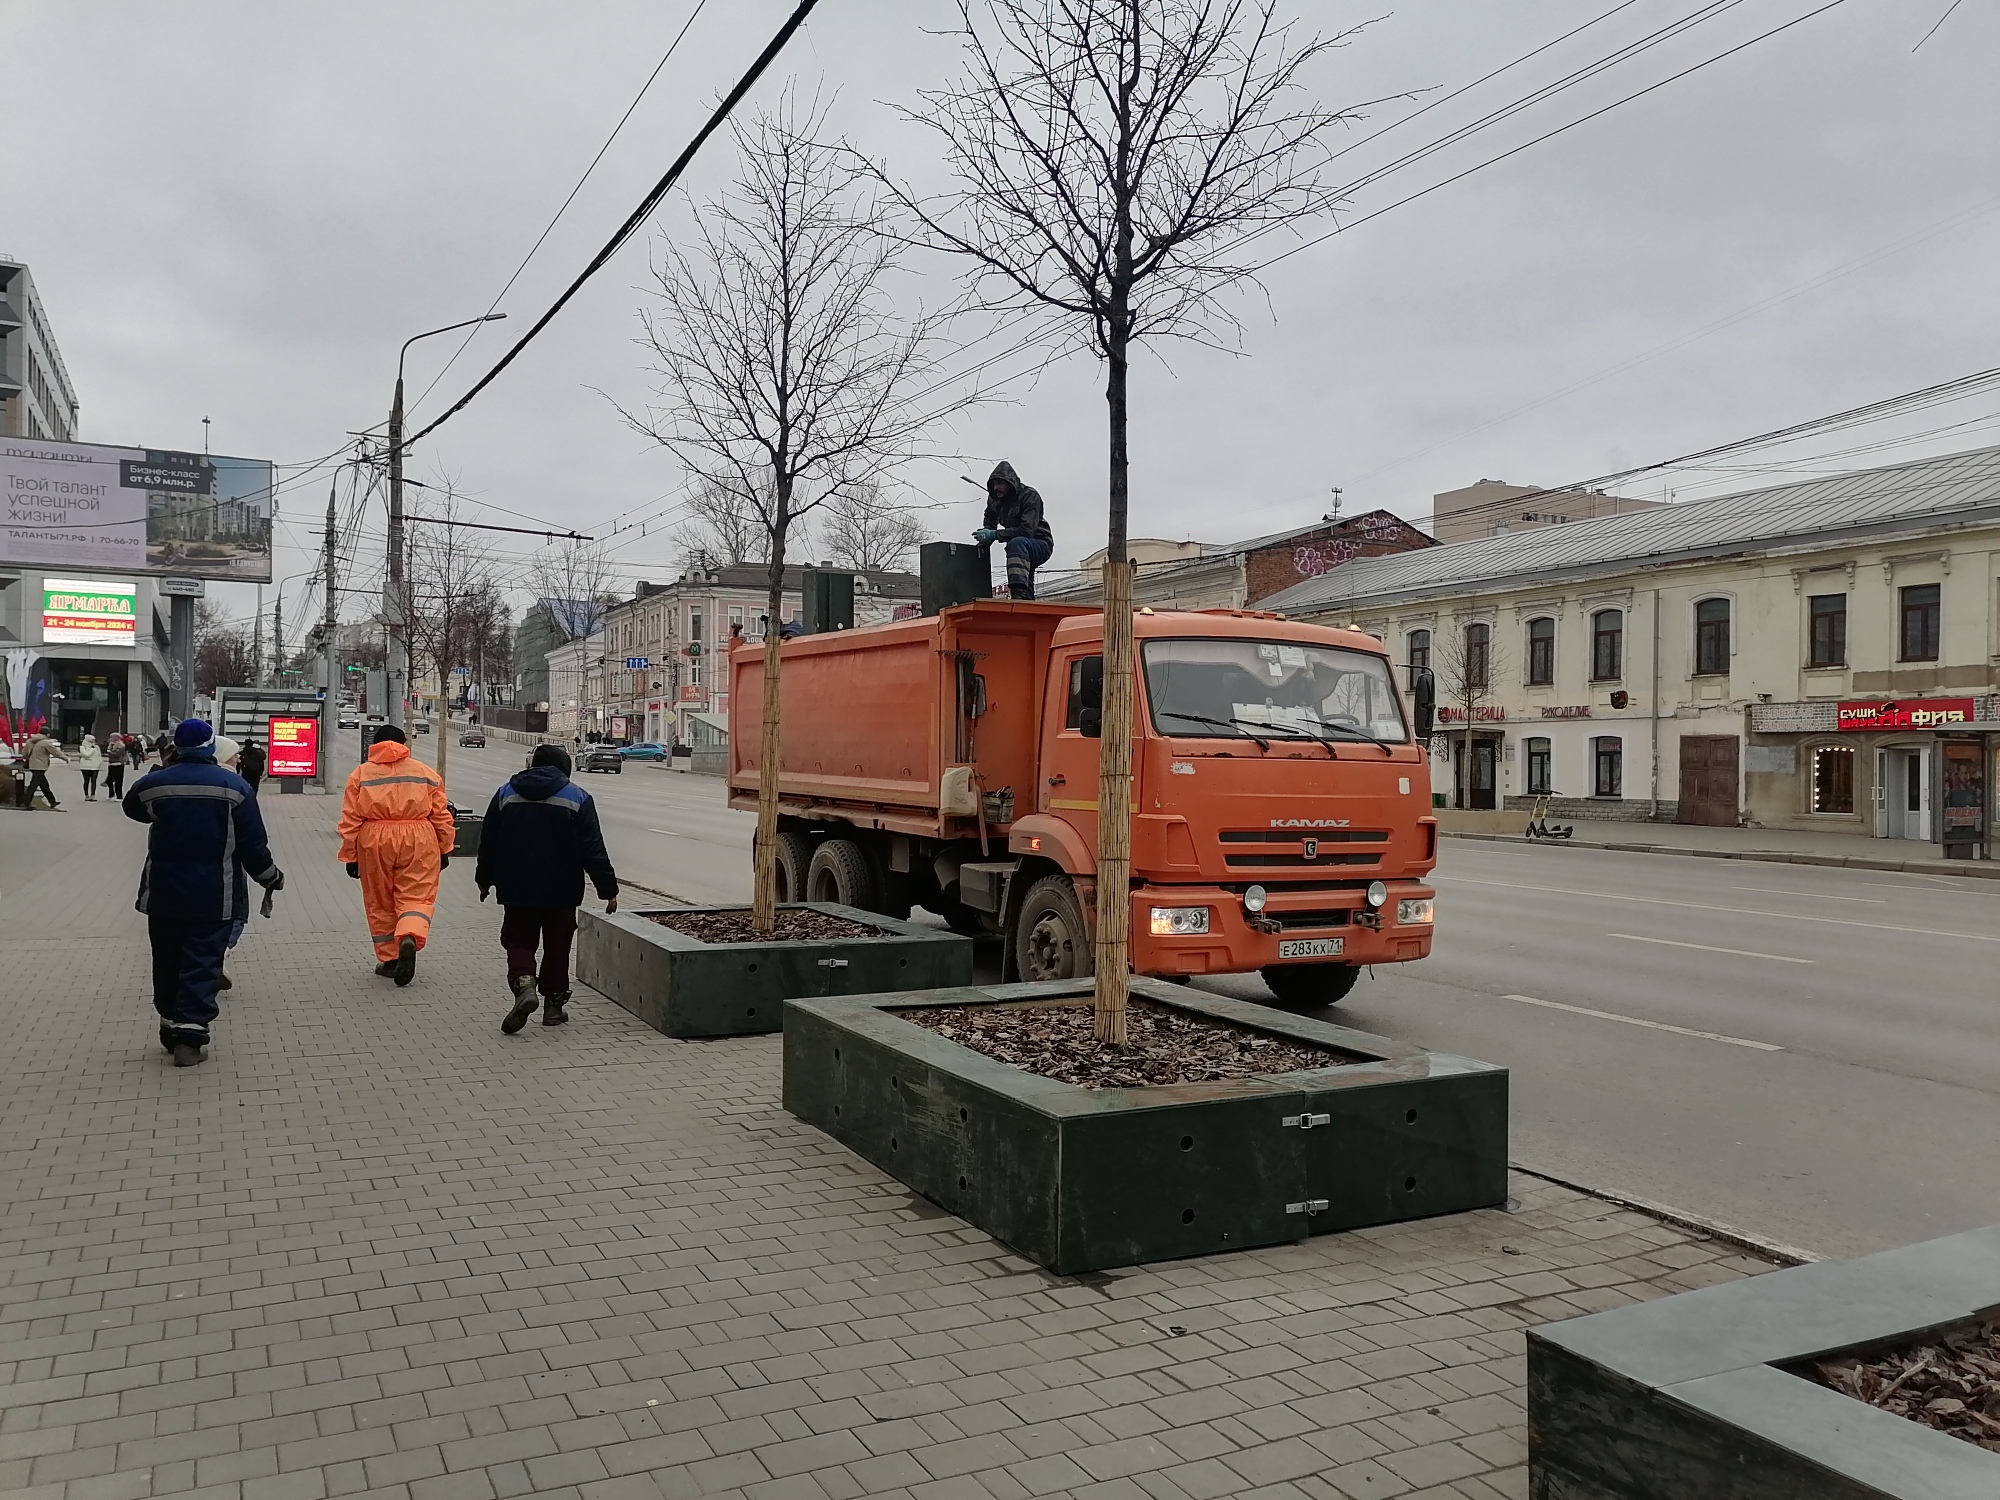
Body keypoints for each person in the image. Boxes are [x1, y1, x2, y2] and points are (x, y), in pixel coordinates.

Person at [122, 718, 284, 1066]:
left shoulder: (154, 784)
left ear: (176, 748)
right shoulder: (236, 788)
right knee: (201, 962)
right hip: (215, 895)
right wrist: (270, 877)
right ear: (211, 747)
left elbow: (133, 809)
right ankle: (190, 1037)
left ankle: (168, 1022)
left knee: (167, 958)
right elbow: (253, 845)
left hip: (162, 893)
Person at [476, 744, 619, 1033]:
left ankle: (524, 986)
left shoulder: (505, 793)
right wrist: (608, 889)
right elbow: (593, 849)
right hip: (562, 890)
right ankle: (553, 1007)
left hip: (516, 886)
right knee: (558, 944)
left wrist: (484, 879)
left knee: (518, 941)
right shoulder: (578, 797)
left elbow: (488, 841)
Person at [338, 724, 454, 986]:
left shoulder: (361, 775)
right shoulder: (425, 773)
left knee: (379, 899)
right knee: (416, 894)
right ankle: (410, 935)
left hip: (374, 838)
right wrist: (444, 847)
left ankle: (390, 960)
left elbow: (350, 819)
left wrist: (351, 855)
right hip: (419, 837)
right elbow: (441, 815)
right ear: (404, 744)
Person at [973, 459, 1053, 602]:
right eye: (994, 484)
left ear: (1010, 483)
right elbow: (990, 521)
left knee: (1016, 543)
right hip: (1021, 549)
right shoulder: (994, 500)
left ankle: (1018, 593)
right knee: (1021, 565)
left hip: (1040, 544)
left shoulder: (1029, 496)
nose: (996, 488)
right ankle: (1026, 603)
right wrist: (984, 540)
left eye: (1000, 483)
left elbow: (1027, 530)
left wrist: (994, 535)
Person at [24, 731, 67, 810]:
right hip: (40, 766)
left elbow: (24, 752)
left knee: (44, 785)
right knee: (33, 785)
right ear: (47, 734)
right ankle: (25, 802)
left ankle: (52, 801)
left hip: (32, 765)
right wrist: (65, 758)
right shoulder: (45, 743)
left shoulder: (30, 741)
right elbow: (55, 752)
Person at [76, 733, 105, 801]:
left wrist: (100, 762)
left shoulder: (96, 747)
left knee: (94, 780)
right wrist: (92, 749)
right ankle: (86, 795)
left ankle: (93, 795)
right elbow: (86, 755)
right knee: (86, 781)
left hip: (95, 766)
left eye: (94, 740)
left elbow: (99, 755)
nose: (93, 742)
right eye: (91, 740)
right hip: (85, 766)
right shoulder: (82, 747)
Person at [105, 733, 130, 801]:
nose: (111, 738)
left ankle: (119, 796)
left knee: (118, 781)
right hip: (111, 763)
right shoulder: (111, 744)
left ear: (116, 737)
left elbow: (117, 754)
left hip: (119, 764)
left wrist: (110, 752)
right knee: (110, 780)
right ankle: (111, 794)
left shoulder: (121, 745)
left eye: (112, 737)